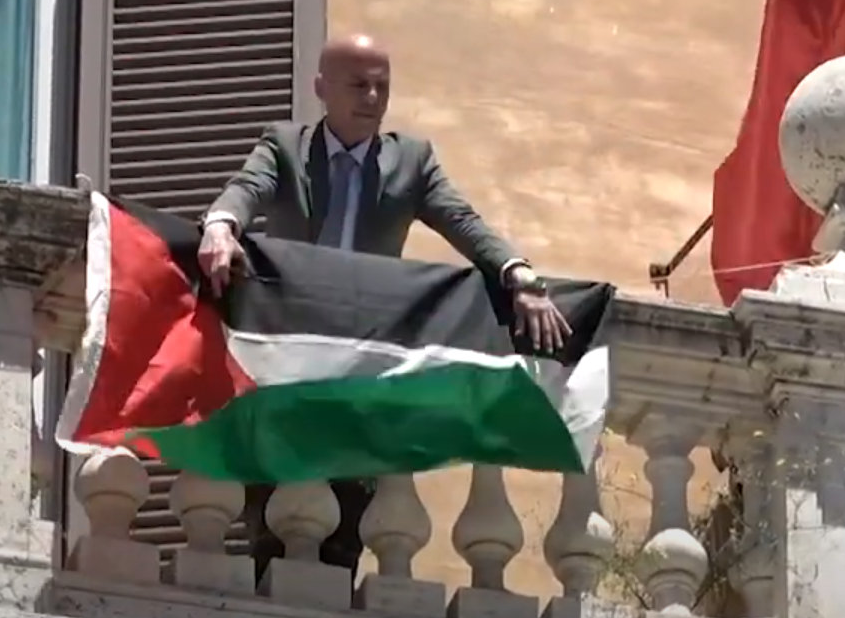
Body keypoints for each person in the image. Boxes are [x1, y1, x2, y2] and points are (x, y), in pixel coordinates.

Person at [198, 33, 570, 577]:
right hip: (288, 364)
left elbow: (464, 223)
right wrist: (220, 225)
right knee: (272, 522)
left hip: (357, 367)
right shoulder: (284, 146)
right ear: (321, 87)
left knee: (347, 523)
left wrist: (521, 275)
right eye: (358, 85)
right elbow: (246, 188)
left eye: (382, 86)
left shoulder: (411, 161)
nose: (372, 98)